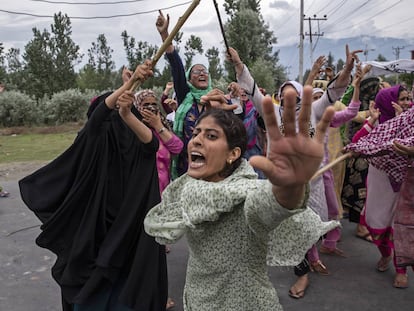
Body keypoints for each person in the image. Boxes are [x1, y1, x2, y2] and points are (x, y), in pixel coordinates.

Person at [144, 85, 339, 311]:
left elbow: (270, 202)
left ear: (233, 154)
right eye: (196, 133)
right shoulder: (187, 187)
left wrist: (291, 184)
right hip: (198, 300)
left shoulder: (245, 195)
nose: (196, 140)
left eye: (211, 136)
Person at [19, 60, 168, 310]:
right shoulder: (94, 138)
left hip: (128, 230)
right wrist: (130, 84)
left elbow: (151, 143)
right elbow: (100, 115)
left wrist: (126, 111)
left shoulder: (134, 140)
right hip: (97, 229)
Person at [227, 44, 362, 299]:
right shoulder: (273, 115)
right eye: (285, 96)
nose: (291, 102)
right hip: (283, 184)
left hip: (314, 181)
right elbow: (252, 87)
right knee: (288, 226)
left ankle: (313, 255)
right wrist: (237, 63)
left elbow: (335, 90)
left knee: (310, 224)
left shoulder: (316, 110)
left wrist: (346, 69)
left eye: (295, 97)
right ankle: (302, 273)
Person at [345, 84, 413, 289]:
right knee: (375, 223)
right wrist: (373, 120)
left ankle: (401, 270)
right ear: (387, 101)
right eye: (401, 98)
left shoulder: (409, 124)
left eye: (407, 99)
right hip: (379, 182)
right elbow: (357, 144)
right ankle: (385, 254)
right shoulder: (379, 125)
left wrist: (402, 122)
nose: (406, 103)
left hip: (403, 183)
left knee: (398, 226)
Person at [155, 10, 236, 179]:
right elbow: (177, 67)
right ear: (189, 79)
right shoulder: (186, 96)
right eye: (196, 71)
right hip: (188, 164)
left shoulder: (218, 98)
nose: (201, 73)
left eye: (205, 71)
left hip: (214, 165)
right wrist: (165, 35)